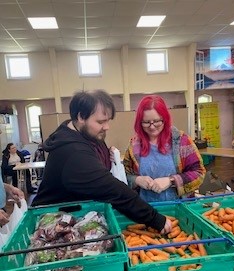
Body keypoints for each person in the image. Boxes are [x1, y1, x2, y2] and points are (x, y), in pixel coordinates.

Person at [32, 89, 172, 234]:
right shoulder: (74, 153)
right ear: (81, 117)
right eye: (101, 121)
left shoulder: (83, 133)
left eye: (108, 121)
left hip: (76, 217)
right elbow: (113, 190)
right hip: (52, 225)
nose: (107, 127)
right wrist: (155, 219)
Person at [123, 95, 206, 202]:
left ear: (165, 119)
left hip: (178, 207)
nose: (152, 127)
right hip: (145, 209)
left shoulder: (182, 141)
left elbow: (199, 173)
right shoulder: (134, 145)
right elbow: (125, 175)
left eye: (157, 121)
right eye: (146, 122)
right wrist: (137, 180)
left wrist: (171, 180)